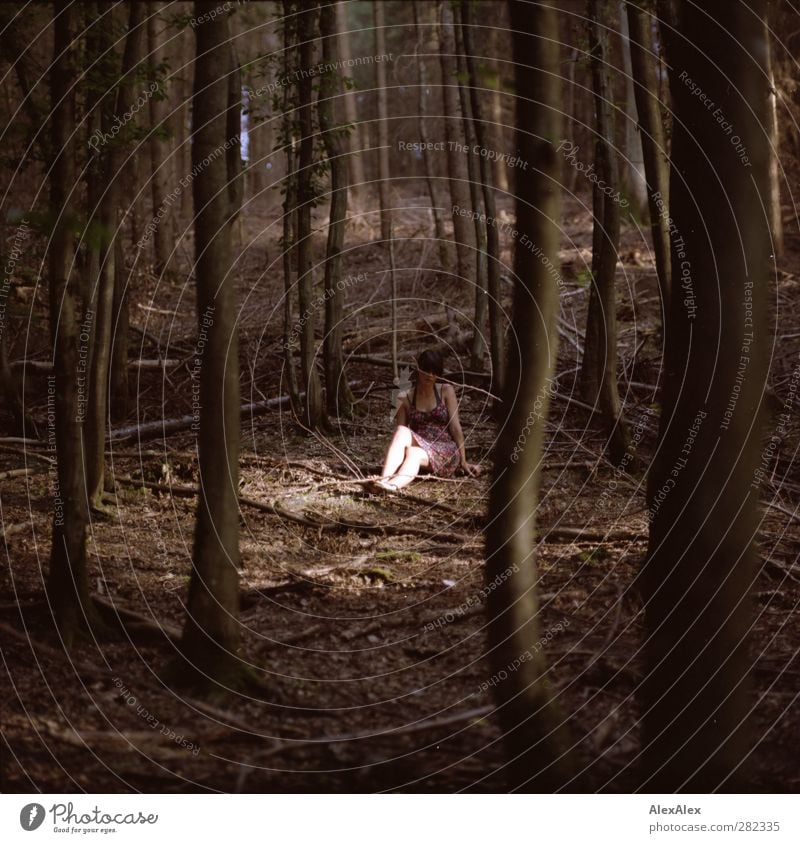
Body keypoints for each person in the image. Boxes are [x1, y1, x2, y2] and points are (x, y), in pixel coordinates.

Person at [371, 349, 483, 492]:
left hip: (445, 449)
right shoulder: (404, 397)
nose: (430, 375)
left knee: (414, 454)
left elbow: (455, 428)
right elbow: (400, 436)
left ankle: (390, 486)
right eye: (426, 370)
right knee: (406, 441)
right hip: (419, 445)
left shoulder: (446, 391)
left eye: (434, 371)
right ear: (418, 369)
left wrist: (464, 460)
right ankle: (383, 481)